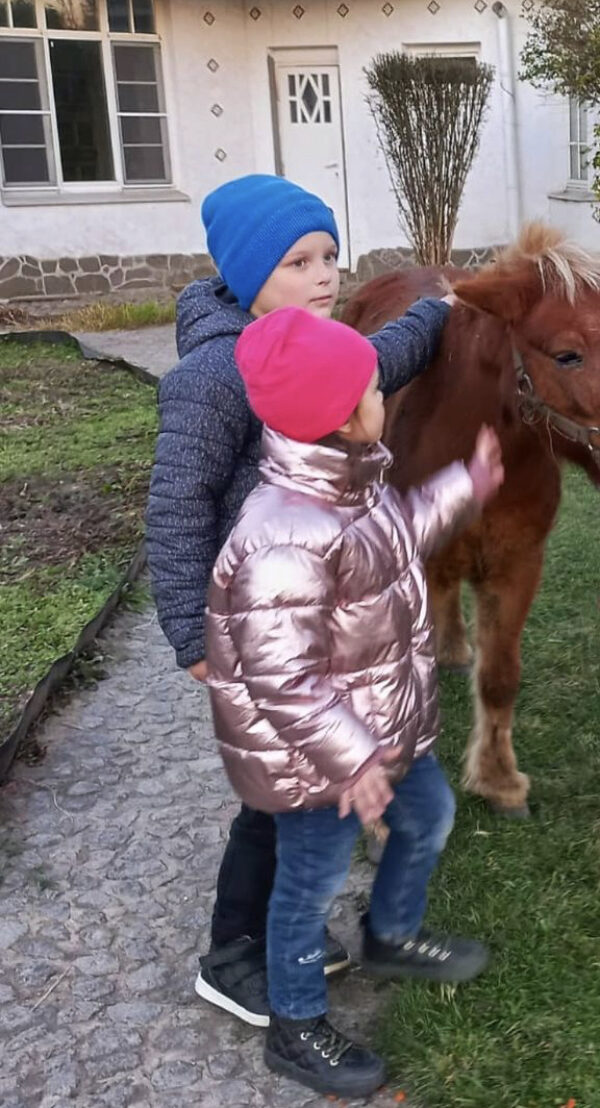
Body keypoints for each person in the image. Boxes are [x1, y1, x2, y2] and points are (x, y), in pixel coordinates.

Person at [145, 173, 458, 1027]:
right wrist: (188, 635)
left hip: (319, 613)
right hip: (254, 623)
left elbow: (382, 359)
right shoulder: (214, 378)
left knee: (289, 792)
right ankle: (233, 953)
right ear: (250, 281)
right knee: (268, 799)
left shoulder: (322, 348)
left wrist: (440, 307)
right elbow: (176, 506)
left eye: (329, 255)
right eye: (298, 262)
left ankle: (286, 932)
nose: (324, 275)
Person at [205, 306, 504, 1098]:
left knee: (429, 815)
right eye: (375, 387)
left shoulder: (353, 483)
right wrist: (353, 759)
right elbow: (282, 680)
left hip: (386, 732)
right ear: (342, 415)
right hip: (317, 763)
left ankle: (391, 934)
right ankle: (295, 1025)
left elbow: (398, 531)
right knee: (308, 883)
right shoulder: (282, 538)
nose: (385, 397)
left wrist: (460, 486)